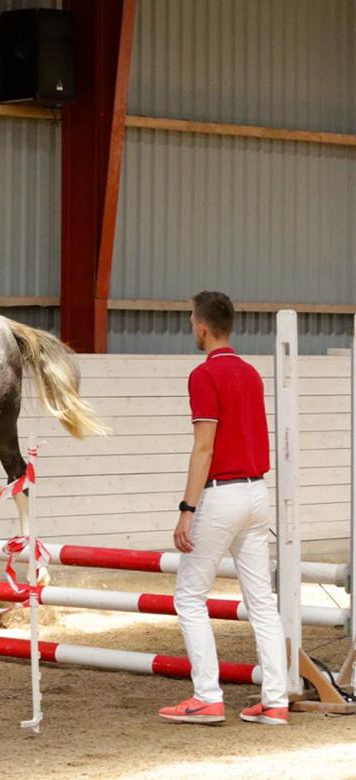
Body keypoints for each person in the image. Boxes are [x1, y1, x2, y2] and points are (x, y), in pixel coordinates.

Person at [158, 291, 289, 726]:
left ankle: (207, 696)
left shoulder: (203, 375)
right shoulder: (251, 374)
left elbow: (204, 448)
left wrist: (186, 508)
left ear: (201, 326)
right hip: (257, 494)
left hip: (222, 494)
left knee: (189, 597)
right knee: (262, 603)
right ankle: (275, 700)